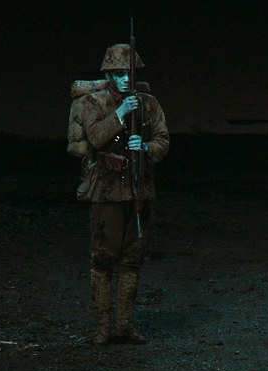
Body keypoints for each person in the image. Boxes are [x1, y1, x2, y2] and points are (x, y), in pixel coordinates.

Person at [68, 43, 169, 345]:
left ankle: (125, 325)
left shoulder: (149, 104)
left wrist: (147, 147)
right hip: (106, 191)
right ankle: (103, 327)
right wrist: (122, 113)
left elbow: (163, 139)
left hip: (139, 191)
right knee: (103, 258)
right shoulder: (93, 102)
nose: (125, 79)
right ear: (109, 75)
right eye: (119, 73)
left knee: (132, 259)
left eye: (130, 73)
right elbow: (96, 138)